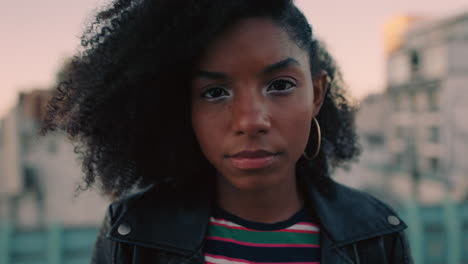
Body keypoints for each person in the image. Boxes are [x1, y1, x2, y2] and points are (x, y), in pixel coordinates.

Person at [42, 0, 413, 263]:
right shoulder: (133, 235)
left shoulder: (377, 235)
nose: (250, 121)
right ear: (183, 109)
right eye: (214, 93)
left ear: (316, 93)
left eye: (280, 85)